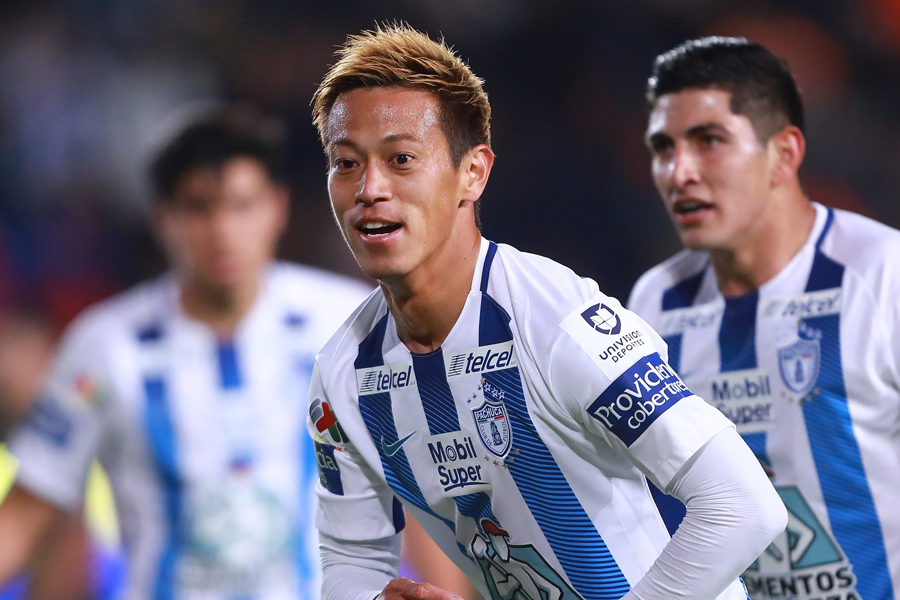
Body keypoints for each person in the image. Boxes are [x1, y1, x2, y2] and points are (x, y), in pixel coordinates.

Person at [306, 24, 786, 600]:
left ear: (473, 173)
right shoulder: (343, 374)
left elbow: (743, 505)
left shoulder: (558, 323)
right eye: (345, 163)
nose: (369, 188)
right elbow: (352, 557)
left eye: (401, 159)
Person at [0, 106, 371, 600]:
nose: (223, 231)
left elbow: (415, 493)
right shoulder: (105, 347)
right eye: (200, 209)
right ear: (165, 219)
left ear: (277, 207)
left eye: (242, 205)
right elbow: (26, 513)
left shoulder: (348, 325)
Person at [629, 36, 900, 600]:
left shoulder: (884, 277)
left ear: (785, 153)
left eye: (709, 141)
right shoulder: (656, 302)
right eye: (663, 147)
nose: (678, 172)